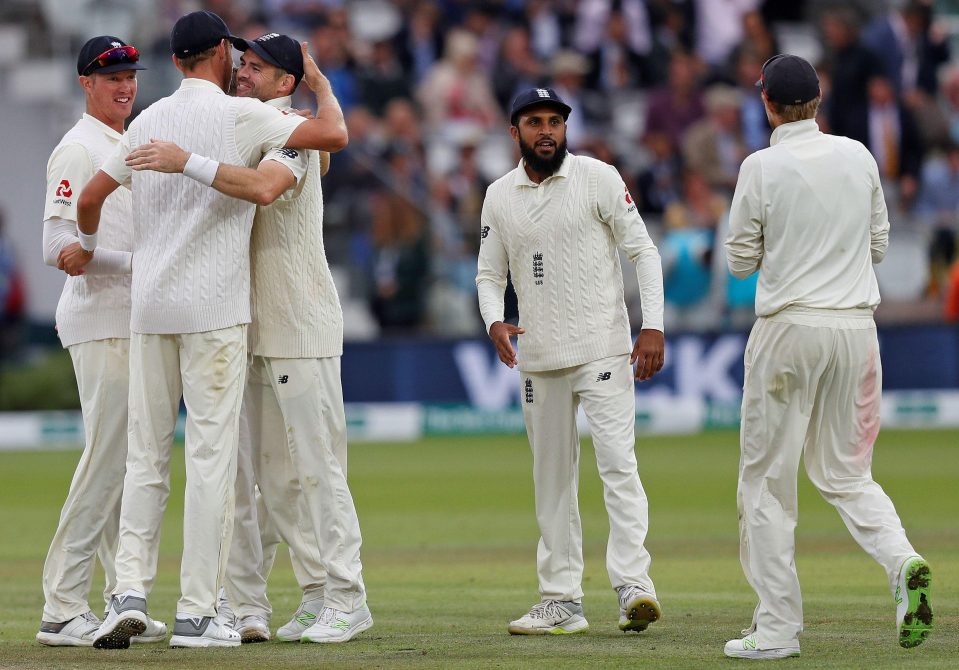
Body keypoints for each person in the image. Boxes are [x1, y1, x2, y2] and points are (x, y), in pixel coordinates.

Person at [63, 10, 347, 650]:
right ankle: (196, 613)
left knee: (145, 459)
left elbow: (87, 201)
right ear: (220, 53)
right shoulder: (238, 116)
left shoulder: (147, 119)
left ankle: (127, 594)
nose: (243, 68)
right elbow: (332, 134)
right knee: (213, 461)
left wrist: (83, 246)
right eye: (237, 58)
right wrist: (320, 81)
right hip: (213, 312)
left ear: (173, 61)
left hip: (150, 309)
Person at [724, 54, 933, 660]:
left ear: (767, 103)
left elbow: (739, 261)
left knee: (765, 486)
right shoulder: (859, 155)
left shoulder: (760, 167)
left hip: (790, 327)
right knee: (847, 474)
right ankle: (902, 563)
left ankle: (778, 630)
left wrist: (784, 250)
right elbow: (878, 243)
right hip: (856, 330)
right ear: (817, 101)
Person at [476, 87, 666, 636]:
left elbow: (643, 251)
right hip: (538, 357)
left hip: (603, 348)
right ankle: (560, 600)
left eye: (555, 122)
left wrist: (651, 324)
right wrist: (494, 319)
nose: (547, 132)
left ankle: (634, 586)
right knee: (552, 482)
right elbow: (489, 274)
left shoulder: (598, 177)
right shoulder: (499, 195)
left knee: (618, 466)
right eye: (535, 122)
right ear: (515, 132)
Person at [35, 35, 166, 648]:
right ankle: (62, 605)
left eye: (131, 76)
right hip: (99, 320)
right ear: (86, 82)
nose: (125, 86)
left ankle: (118, 600)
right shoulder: (77, 147)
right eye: (112, 77)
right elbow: (58, 249)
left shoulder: (124, 142)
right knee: (109, 460)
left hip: (131, 319)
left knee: (121, 460)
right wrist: (141, 264)